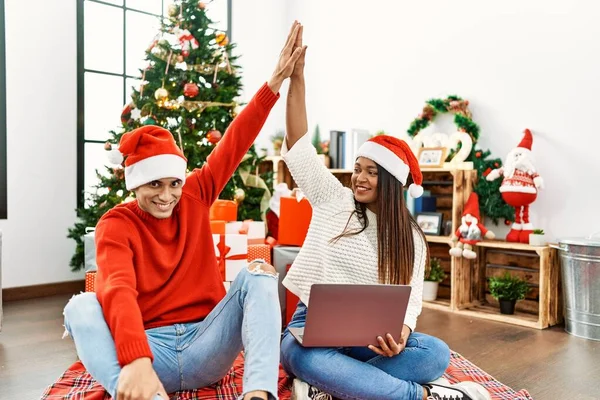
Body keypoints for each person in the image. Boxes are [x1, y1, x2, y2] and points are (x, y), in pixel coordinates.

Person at [62, 22, 306, 400]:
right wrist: (137, 360)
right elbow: (118, 290)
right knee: (80, 306)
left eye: (173, 183)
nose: (167, 195)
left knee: (259, 274)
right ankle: (143, 395)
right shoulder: (116, 224)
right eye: (154, 184)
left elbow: (233, 142)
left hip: (206, 345)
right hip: (148, 355)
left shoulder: (194, 194)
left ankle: (258, 394)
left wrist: (274, 83)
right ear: (134, 185)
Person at [279, 24, 492, 400]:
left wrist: (402, 337)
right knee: (295, 353)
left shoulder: (410, 238)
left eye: (371, 172)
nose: (358, 178)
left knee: (435, 353)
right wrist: (297, 78)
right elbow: (298, 145)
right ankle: (420, 397)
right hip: (310, 329)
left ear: (392, 182)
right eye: (358, 168)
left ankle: (332, 385)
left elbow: (409, 303)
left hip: (370, 340)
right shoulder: (334, 199)